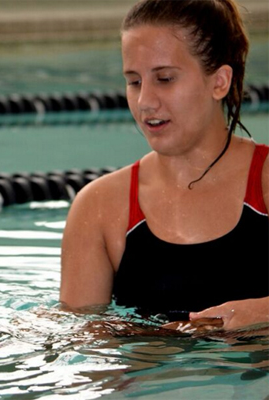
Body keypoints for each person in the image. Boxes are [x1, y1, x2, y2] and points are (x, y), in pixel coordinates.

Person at [60, 0, 268, 331]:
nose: (145, 102)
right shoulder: (99, 207)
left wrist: (261, 316)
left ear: (219, 82)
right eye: (134, 81)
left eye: (165, 79)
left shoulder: (266, 183)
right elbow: (83, 349)